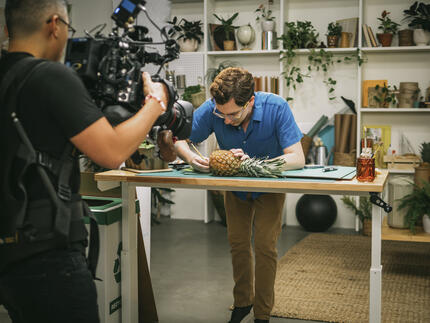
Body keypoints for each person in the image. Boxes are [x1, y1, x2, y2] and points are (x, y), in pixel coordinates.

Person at [0, 0, 168, 322]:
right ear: (54, 25)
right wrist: (155, 103)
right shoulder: (50, 77)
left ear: (9, 29)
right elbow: (111, 151)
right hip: (46, 253)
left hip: (9, 251)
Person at [175, 67, 305, 323]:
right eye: (221, 114)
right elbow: (179, 139)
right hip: (234, 187)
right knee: (238, 244)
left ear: (251, 101)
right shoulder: (215, 108)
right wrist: (191, 157)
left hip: (269, 186)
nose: (225, 120)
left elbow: (297, 158)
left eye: (233, 114)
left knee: (265, 246)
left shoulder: (276, 107)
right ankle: (243, 303)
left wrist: (253, 164)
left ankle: (262, 314)